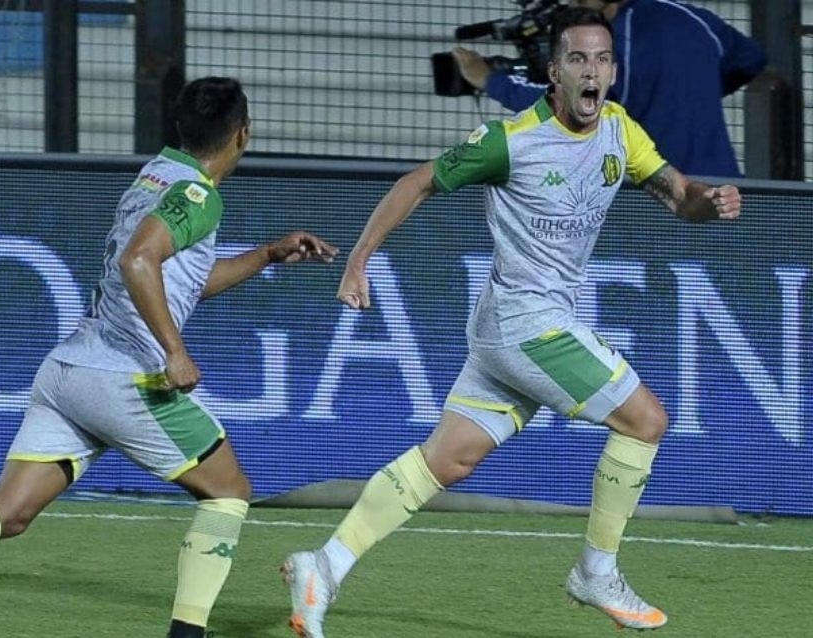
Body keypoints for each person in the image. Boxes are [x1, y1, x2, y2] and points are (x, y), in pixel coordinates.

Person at [283, 7, 740, 637]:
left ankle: (323, 566)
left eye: (602, 59)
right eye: (577, 59)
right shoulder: (512, 140)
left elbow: (678, 196)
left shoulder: (619, 129)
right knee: (646, 420)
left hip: (512, 328)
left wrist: (709, 204)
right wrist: (359, 261)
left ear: (613, 71)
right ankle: (596, 571)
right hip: (528, 325)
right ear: (554, 72)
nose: (591, 71)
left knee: (447, 461)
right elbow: (417, 183)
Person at [0, 76, 338, 638]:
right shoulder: (199, 195)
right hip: (126, 379)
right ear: (243, 134)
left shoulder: (158, 174)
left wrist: (268, 254)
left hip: (71, 372)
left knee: (9, 510)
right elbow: (139, 261)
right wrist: (174, 352)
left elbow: (178, 280)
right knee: (229, 489)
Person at [451, 0, 767, 178]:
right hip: (724, 189)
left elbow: (571, 106)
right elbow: (751, 58)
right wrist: (694, 93)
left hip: (653, 199)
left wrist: (490, 80)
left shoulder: (613, 43)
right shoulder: (691, 17)